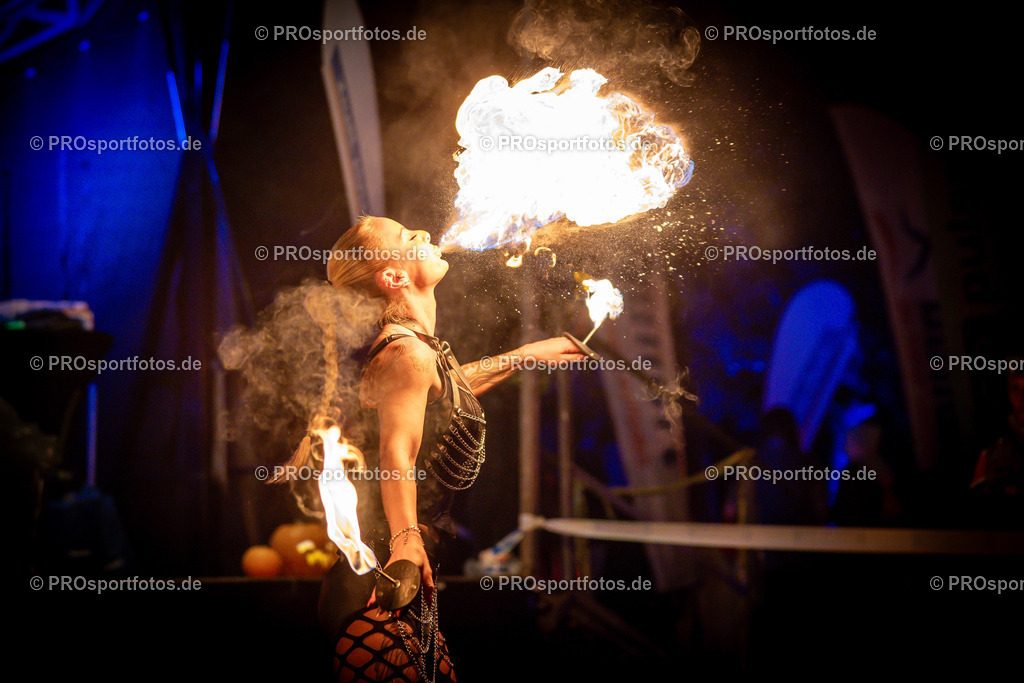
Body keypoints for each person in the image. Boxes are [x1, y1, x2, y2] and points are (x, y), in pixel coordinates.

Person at [315, 215, 584, 682]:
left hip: (394, 582)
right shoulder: (408, 355)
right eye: (405, 236)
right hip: (379, 592)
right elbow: (396, 456)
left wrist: (526, 354)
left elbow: (448, 391)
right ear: (394, 277)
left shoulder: (418, 349)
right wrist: (406, 542)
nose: (422, 233)